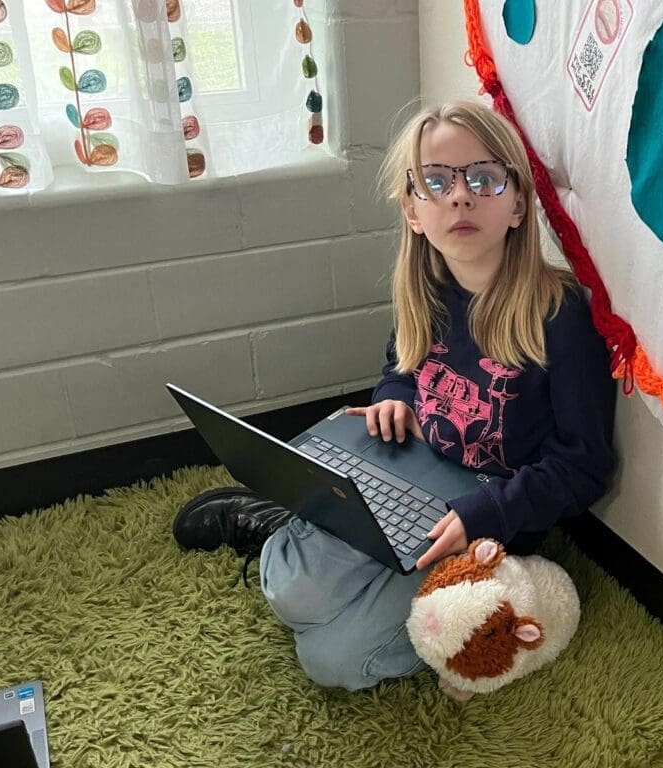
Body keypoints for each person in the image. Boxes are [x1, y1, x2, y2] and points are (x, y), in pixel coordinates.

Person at [172, 101, 616, 691]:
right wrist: (393, 396)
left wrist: (487, 514)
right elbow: (402, 365)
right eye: (437, 181)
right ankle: (283, 524)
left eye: (484, 178)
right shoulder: (427, 290)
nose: (460, 196)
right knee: (287, 591)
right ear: (413, 209)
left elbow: (584, 466)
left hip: (491, 508)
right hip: (410, 468)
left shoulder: (557, 315)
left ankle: (371, 551)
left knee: (331, 660)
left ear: (516, 204)